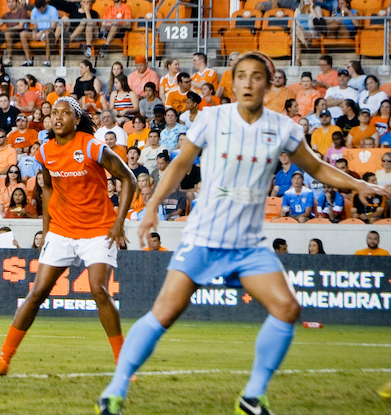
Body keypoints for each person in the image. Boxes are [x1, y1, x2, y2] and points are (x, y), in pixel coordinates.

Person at [96, 52, 391, 415]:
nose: (249, 83)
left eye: (256, 77)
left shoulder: (283, 128)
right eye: (242, 76)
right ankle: (115, 390)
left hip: (248, 245)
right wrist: (154, 203)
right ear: (232, 83)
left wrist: (357, 185)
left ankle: (252, 396)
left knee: (286, 307)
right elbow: (181, 163)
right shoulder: (212, 118)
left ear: (268, 85)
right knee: (164, 313)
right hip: (204, 238)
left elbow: (316, 167)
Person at [0, 97, 137, 379]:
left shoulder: (91, 146)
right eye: (54, 113)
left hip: (97, 229)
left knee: (99, 290)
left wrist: (119, 221)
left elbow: (129, 179)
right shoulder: (44, 152)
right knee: (37, 292)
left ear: (76, 120)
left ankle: (123, 363)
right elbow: (49, 190)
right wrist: (46, 229)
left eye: (65, 113)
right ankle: (3, 359)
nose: (57, 117)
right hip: (62, 230)